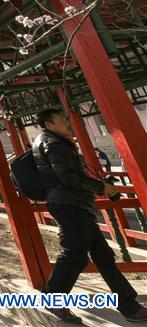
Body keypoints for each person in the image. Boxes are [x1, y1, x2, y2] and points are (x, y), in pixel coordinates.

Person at [32, 108, 147, 324]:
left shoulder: (52, 141)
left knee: (104, 257)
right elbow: (67, 176)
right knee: (74, 255)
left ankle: (129, 306)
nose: (67, 123)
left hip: (75, 204)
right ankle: (53, 298)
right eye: (62, 120)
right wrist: (100, 187)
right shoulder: (53, 144)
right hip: (69, 204)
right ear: (49, 124)